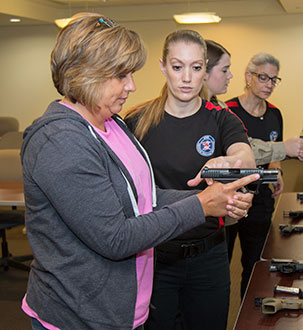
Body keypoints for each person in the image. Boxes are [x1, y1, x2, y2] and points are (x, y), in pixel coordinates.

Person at [20, 14, 257, 330]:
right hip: (80, 316)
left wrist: (210, 197)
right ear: (85, 74)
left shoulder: (112, 124)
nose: (132, 85)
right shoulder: (60, 140)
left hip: (121, 309)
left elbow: (142, 196)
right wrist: (201, 205)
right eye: (121, 75)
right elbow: (115, 237)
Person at [124, 30, 256, 330]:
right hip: (155, 257)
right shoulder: (136, 121)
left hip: (209, 255)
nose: (186, 77)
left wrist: (228, 162)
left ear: (204, 69)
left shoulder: (222, 119)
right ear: (162, 67)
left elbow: (245, 157)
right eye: (177, 66)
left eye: (196, 68)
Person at [225, 52, 285, 299]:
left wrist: (277, 170)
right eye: (263, 77)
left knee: (255, 265)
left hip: (260, 199)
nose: (269, 84)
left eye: (274, 79)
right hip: (230, 199)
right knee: (222, 264)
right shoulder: (227, 111)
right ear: (248, 77)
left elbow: (276, 149)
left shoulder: (274, 113)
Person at [204, 40, 303, 164]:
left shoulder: (220, 108)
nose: (230, 76)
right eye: (224, 70)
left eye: (273, 80)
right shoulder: (217, 110)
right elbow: (242, 151)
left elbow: (243, 145)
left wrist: (285, 152)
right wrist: (285, 148)